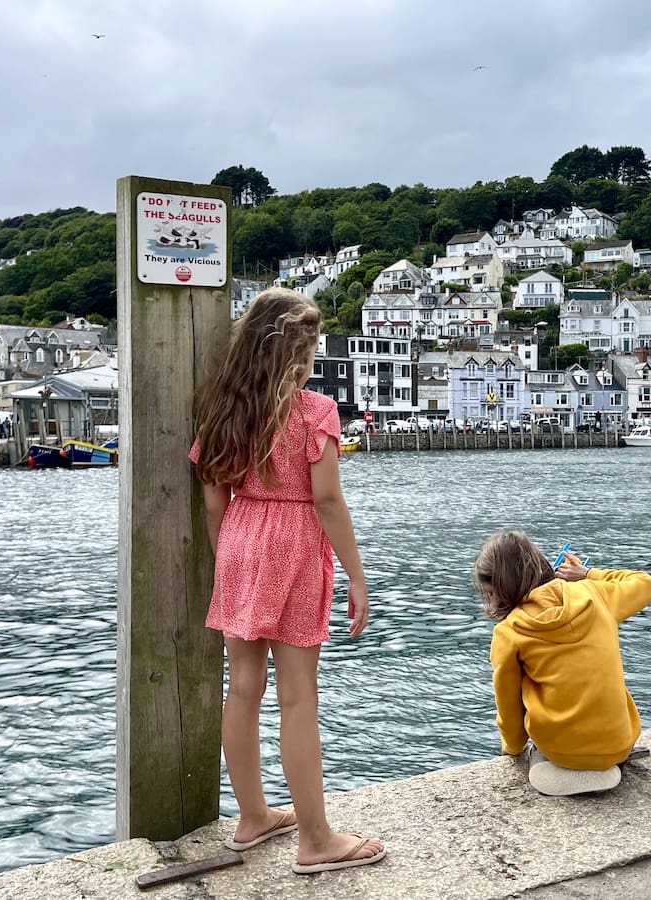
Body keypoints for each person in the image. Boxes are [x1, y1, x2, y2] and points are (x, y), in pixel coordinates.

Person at [189, 288, 385, 876]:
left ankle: (252, 817)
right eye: (312, 348)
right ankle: (317, 839)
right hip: (295, 547)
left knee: (243, 686)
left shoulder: (223, 408)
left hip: (240, 544)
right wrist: (356, 575)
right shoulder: (313, 411)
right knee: (299, 697)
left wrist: (230, 560)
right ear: (297, 352)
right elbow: (326, 499)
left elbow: (213, 501)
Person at [474, 531, 651, 796]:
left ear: (502, 590)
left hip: (561, 751)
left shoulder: (509, 632)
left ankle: (561, 768)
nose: (491, 600)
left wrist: (512, 749)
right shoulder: (594, 594)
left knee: (538, 750)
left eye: (491, 594)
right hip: (620, 742)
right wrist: (588, 574)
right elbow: (644, 583)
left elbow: (509, 705)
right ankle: (607, 762)